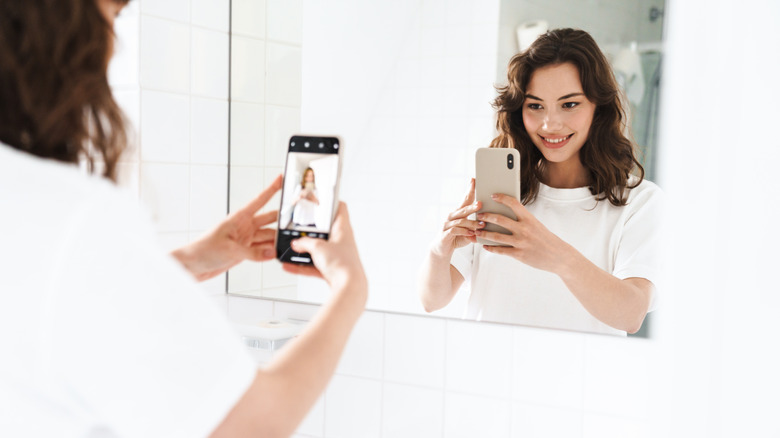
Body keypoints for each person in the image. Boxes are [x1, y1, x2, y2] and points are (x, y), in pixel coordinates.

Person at [0, 1, 367, 437]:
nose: (113, 48)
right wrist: (350, 289)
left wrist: (189, 260)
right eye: (113, 18)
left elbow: (46, 301)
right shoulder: (76, 218)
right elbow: (252, 424)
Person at [418, 28, 662, 336]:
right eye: (535, 105)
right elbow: (431, 299)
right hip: (481, 377)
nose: (550, 124)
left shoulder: (640, 202)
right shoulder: (499, 191)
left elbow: (631, 313)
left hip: (582, 383)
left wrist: (555, 256)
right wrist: (440, 251)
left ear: (597, 107)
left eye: (569, 104)